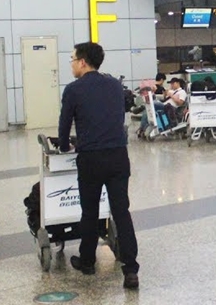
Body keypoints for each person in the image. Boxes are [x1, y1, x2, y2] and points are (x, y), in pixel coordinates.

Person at [59, 42, 140, 290]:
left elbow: (64, 126)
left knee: (90, 211)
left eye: (72, 60)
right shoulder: (114, 84)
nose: (71, 64)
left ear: (83, 62)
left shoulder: (73, 89)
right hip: (118, 156)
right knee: (121, 212)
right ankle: (130, 270)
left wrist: (64, 146)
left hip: (91, 158)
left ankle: (87, 262)